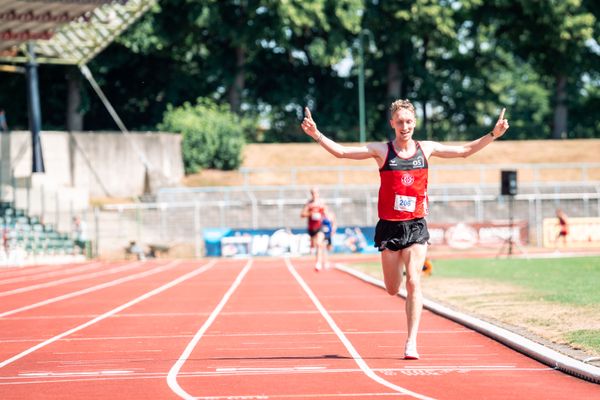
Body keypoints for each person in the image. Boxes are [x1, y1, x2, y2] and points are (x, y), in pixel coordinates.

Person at [301, 99, 509, 359]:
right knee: (392, 288)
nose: (405, 126)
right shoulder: (382, 151)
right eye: (400, 121)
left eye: (409, 121)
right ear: (392, 124)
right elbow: (342, 152)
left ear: (414, 122)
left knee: (414, 280)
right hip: (389, 227)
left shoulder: (427, 148)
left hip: (416, 225)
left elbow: (465, 150)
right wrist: (316, 134)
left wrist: (493, 135)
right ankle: (398, 269)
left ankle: (411, 342)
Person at [300, 187, 328, 271]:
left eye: (316, 193)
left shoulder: (321, 203)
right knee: (314, 246)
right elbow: (302, 215)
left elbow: (326, 214)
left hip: (320, 226)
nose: (314, 195)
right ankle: (321, 258)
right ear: (311, 194)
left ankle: (318, 263)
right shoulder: (308, 204)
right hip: (311, 228)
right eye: (313, 193)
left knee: (319, 244)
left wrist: (323, 215)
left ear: (318, 193)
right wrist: (310, 213)